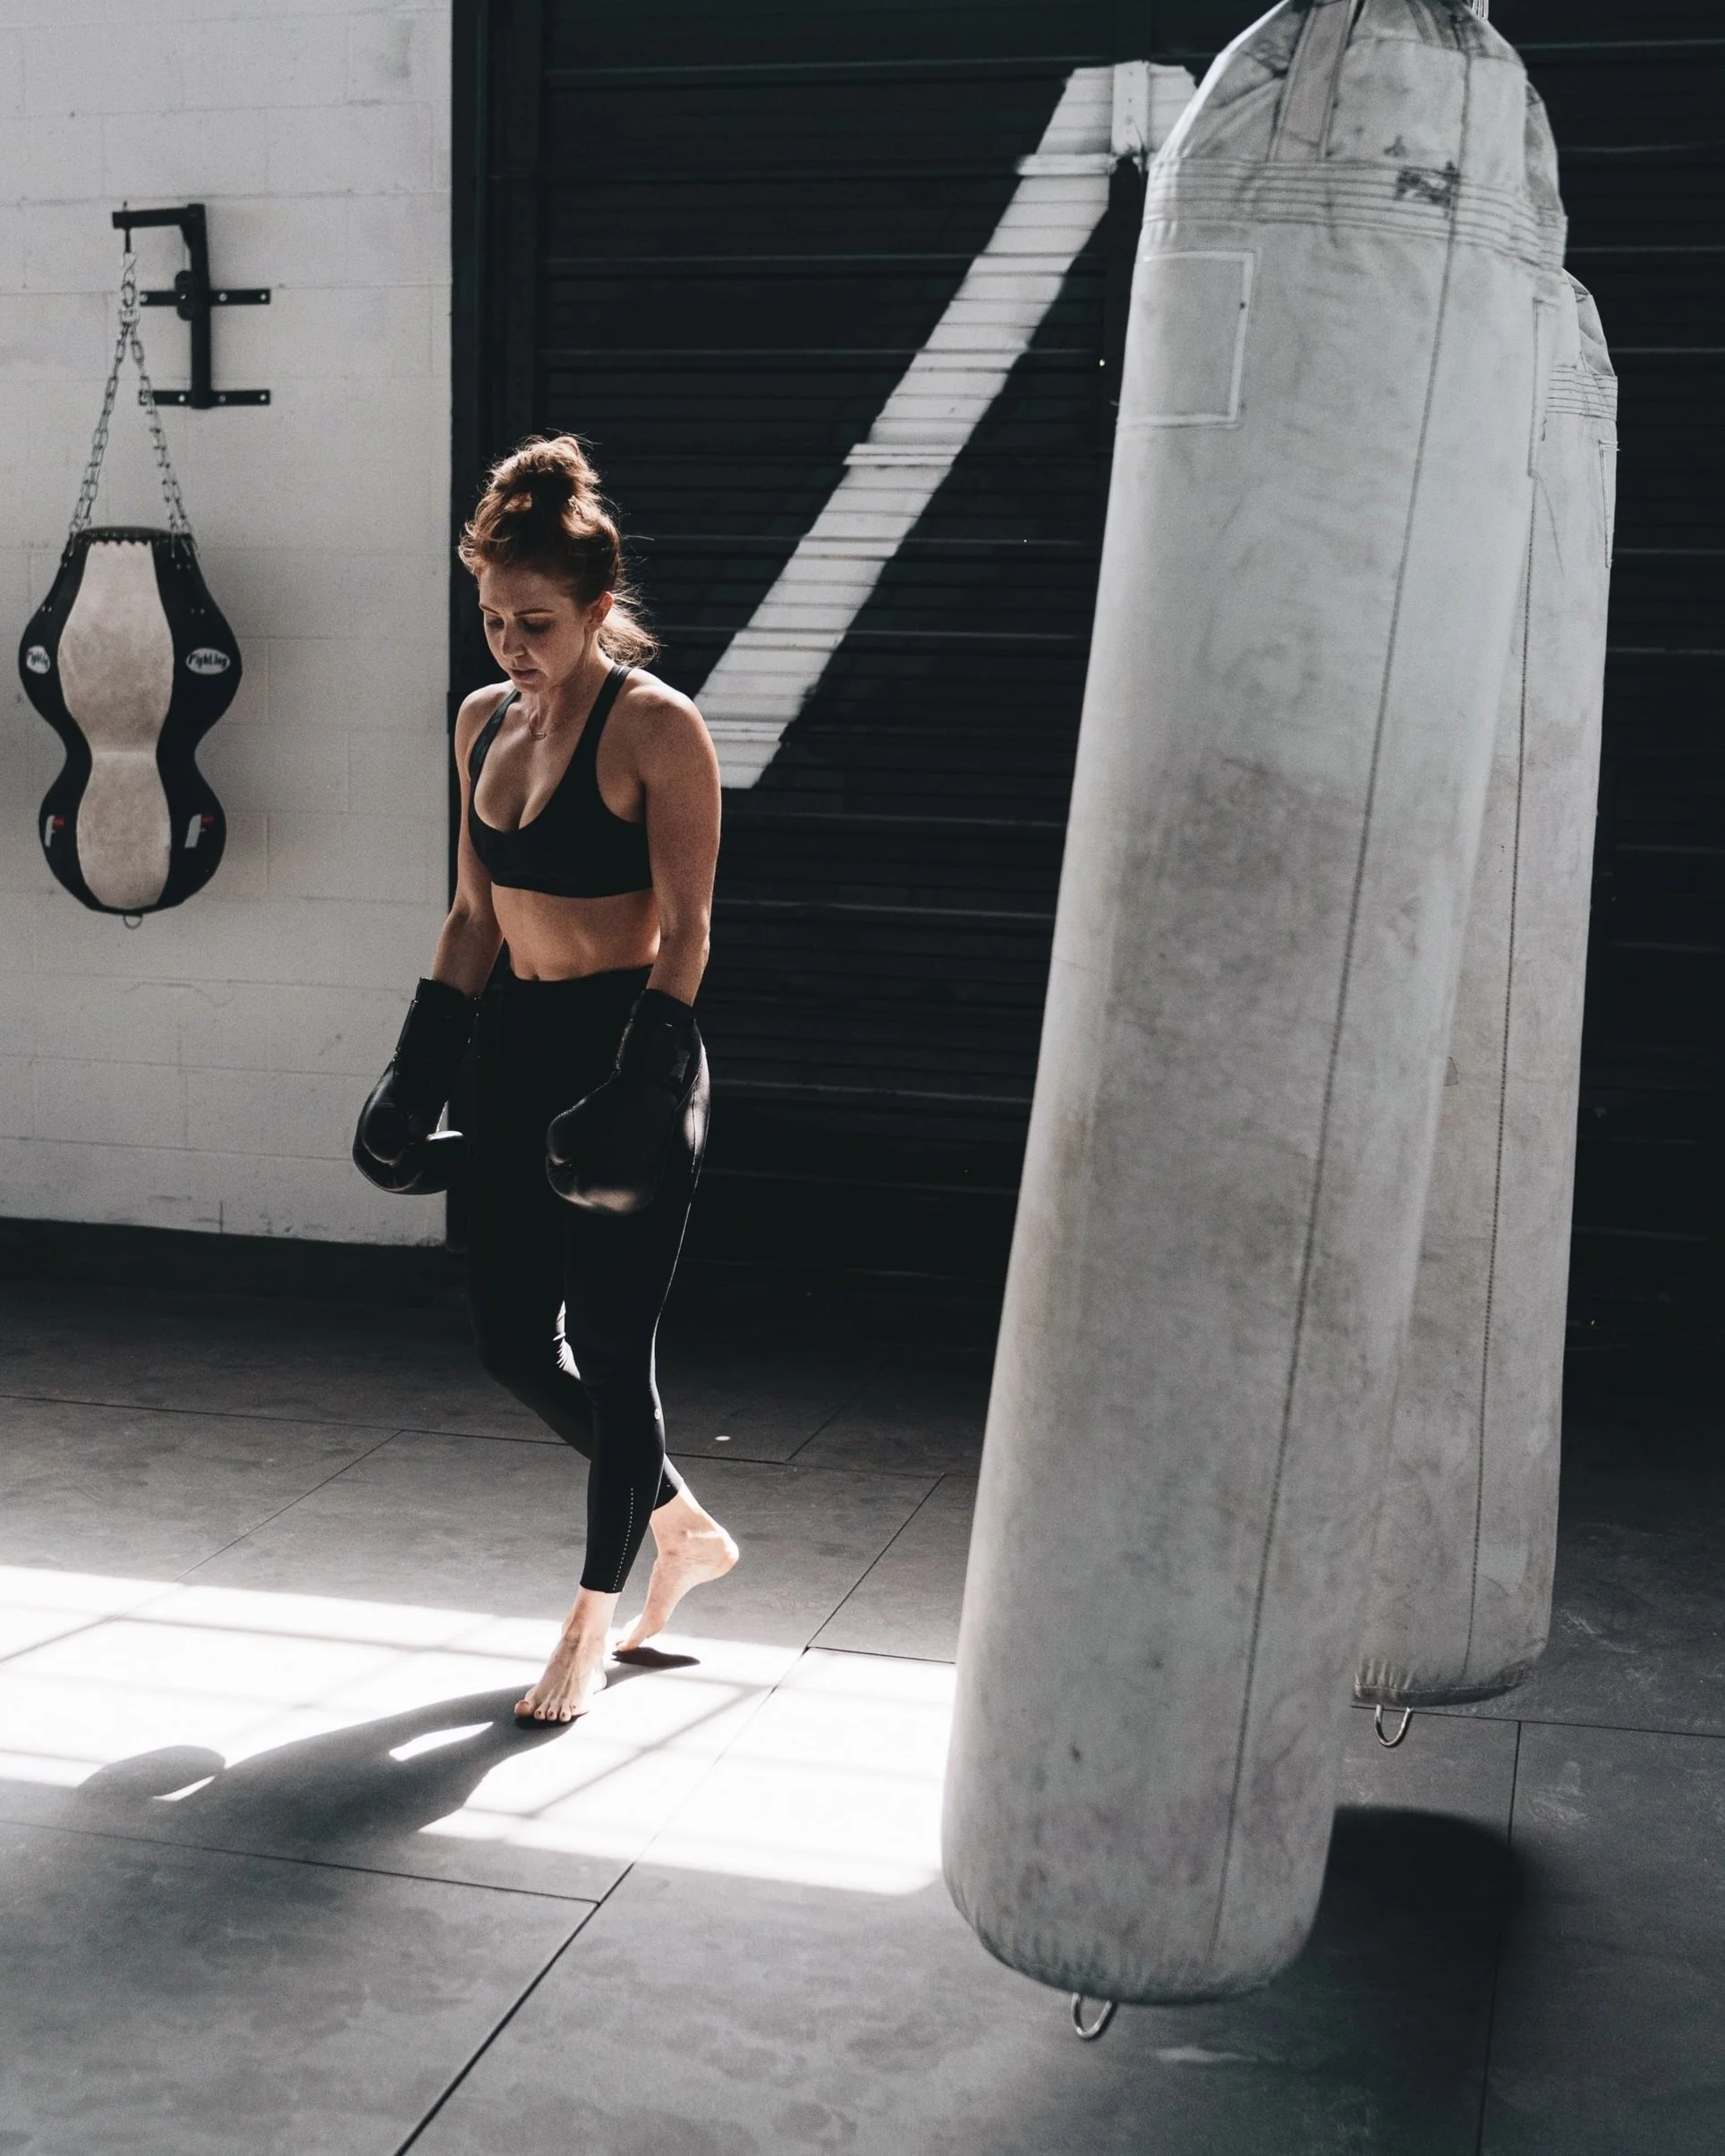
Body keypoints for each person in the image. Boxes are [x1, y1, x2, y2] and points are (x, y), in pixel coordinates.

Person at [353, 435, 737, 1723]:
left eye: (537, 624)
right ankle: (680, 1523)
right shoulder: (481, 722)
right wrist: (417, 1070)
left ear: (597, 609)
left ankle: (591, 1616)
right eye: (493, 621)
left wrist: (645, 1082)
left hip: (627, 1055)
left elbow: (688, 930)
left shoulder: (658, 729)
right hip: (517, 1048)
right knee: (513, 1341)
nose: (512, 647)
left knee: (615, 1350)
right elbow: (475, 914)